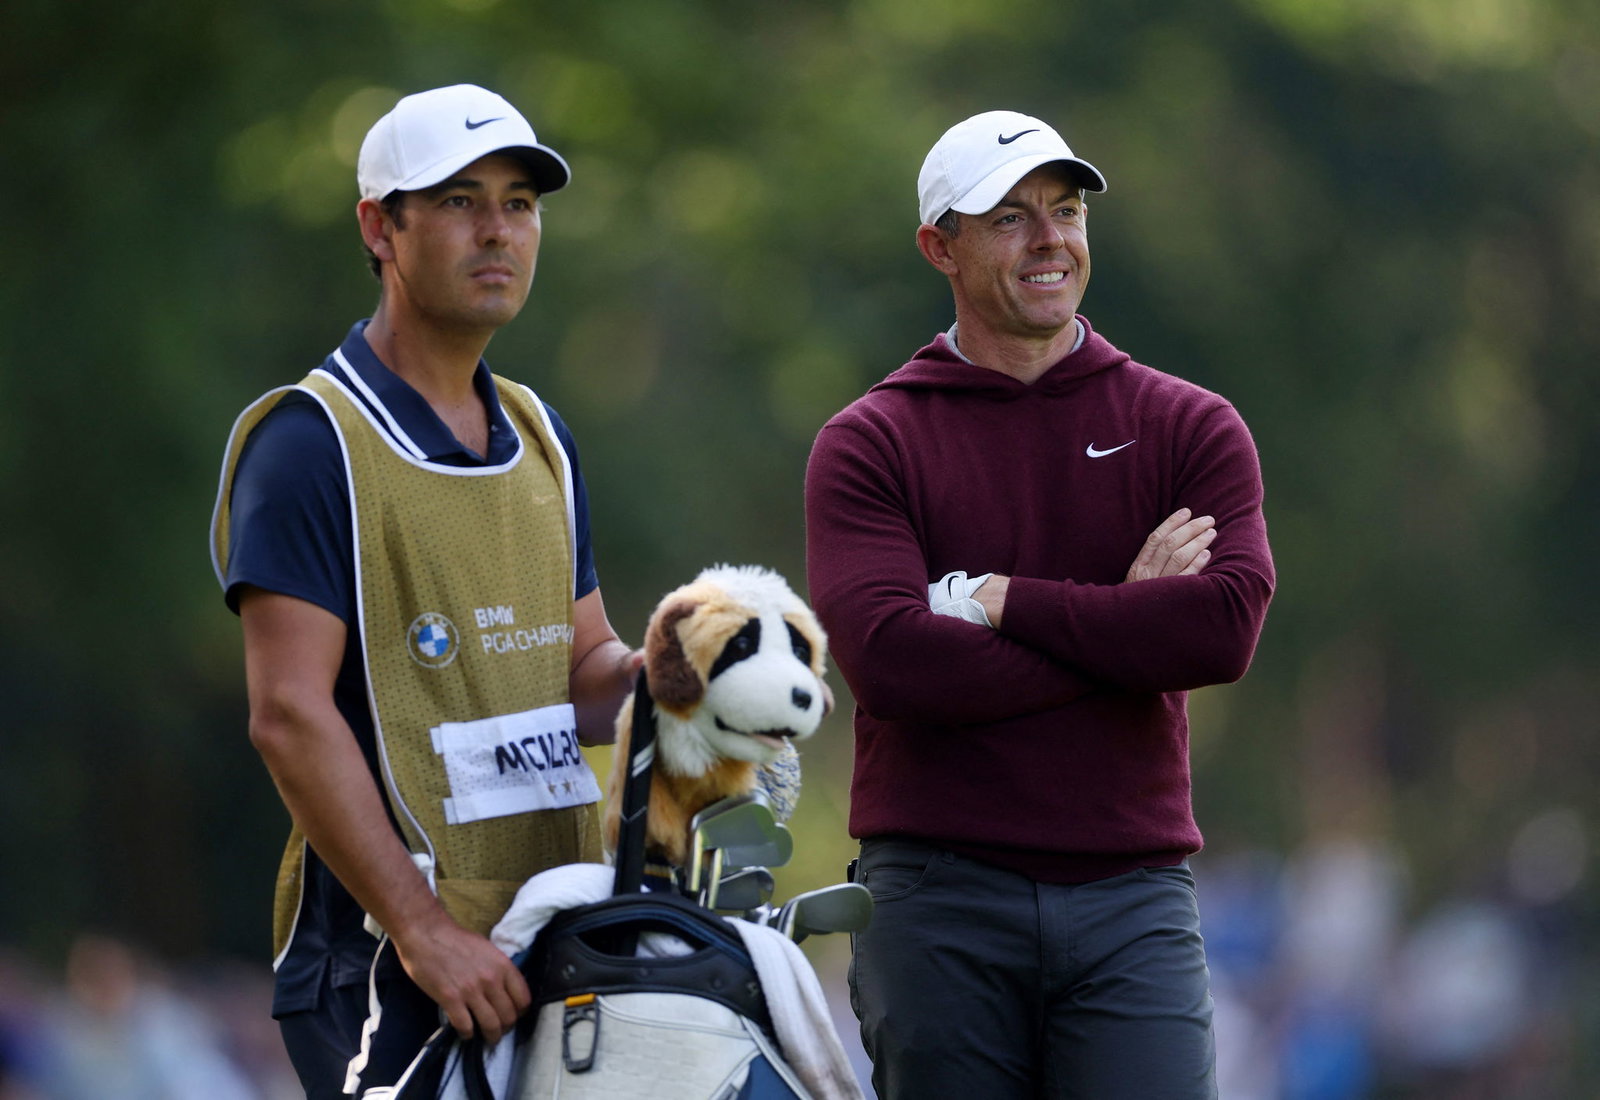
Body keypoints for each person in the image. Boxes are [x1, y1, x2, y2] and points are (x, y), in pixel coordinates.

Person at [803, 110, 1276, 1098]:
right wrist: (1123, 620)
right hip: (937, 895)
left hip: (1130, 892)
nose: (1050, 238)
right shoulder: (870, 440)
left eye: (1064, 211)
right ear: (942, 246)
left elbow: (1220, 627)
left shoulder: (1188, 424)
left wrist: (998, 600)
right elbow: (894, 663)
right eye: (1010, 218)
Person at [210, 84, 638, 1098]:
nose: (497, 229)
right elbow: (286, 712)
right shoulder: (309, 443)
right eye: (456, 200)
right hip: (384, 960)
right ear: (379, 226)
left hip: (548, 935)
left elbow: (581, 669)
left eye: (520, 203)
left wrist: (689, 677)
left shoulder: (540, 432)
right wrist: (424, 929)